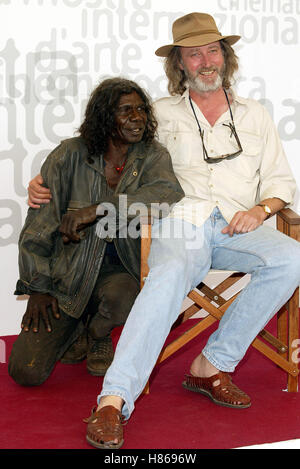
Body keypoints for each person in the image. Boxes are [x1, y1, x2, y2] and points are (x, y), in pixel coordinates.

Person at [28, 13, 300, 450]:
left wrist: (262, 208)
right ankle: (113, 400)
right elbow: (100, 147)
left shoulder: (257, 115)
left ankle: (212, 364)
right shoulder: (155, 113)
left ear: (225, 59)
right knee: (168, 278)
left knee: (292, 258)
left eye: (213, 51)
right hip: (179, 224)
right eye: (194, 54)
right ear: (180, 65)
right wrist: (46, 180)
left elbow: (282, 183)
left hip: (237, 223)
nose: (205, 61)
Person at [9, 77, 184, 386]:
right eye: (126, 110)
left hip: (123, 274)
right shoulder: (68, 155)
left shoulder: (152, 156)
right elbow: (39, 226)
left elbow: (166, 194)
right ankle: (77, 327)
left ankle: (97, 332)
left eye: (142, 109)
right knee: (26, 371)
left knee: (129, 297)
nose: (138, 117)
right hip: (68, 277)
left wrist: (101, 208)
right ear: (105, 116)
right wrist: (38, 287)